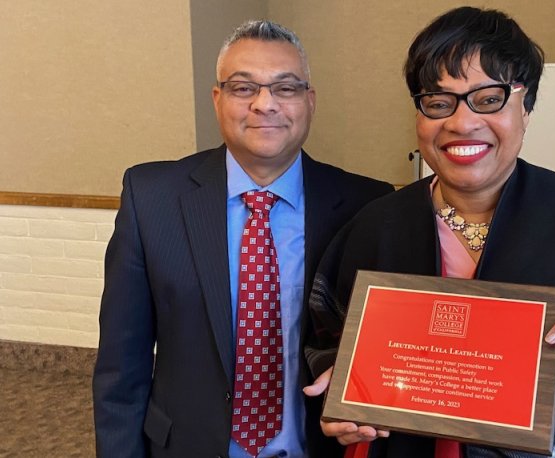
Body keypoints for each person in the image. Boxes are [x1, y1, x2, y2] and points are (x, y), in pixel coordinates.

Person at [303, 7, 555, 457]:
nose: (462, 123)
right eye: (438, 102)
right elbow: (328, 341)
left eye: (488, 98)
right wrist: (345, 394)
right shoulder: (376, 226)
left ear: (526, 107)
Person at [93, 20, 394, 458]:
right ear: (218, 100)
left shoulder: (365, 204)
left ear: (310, 102)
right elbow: (121, 369)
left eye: (285, 88)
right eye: (243, 88)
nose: (264, 104)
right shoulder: (152, 198)